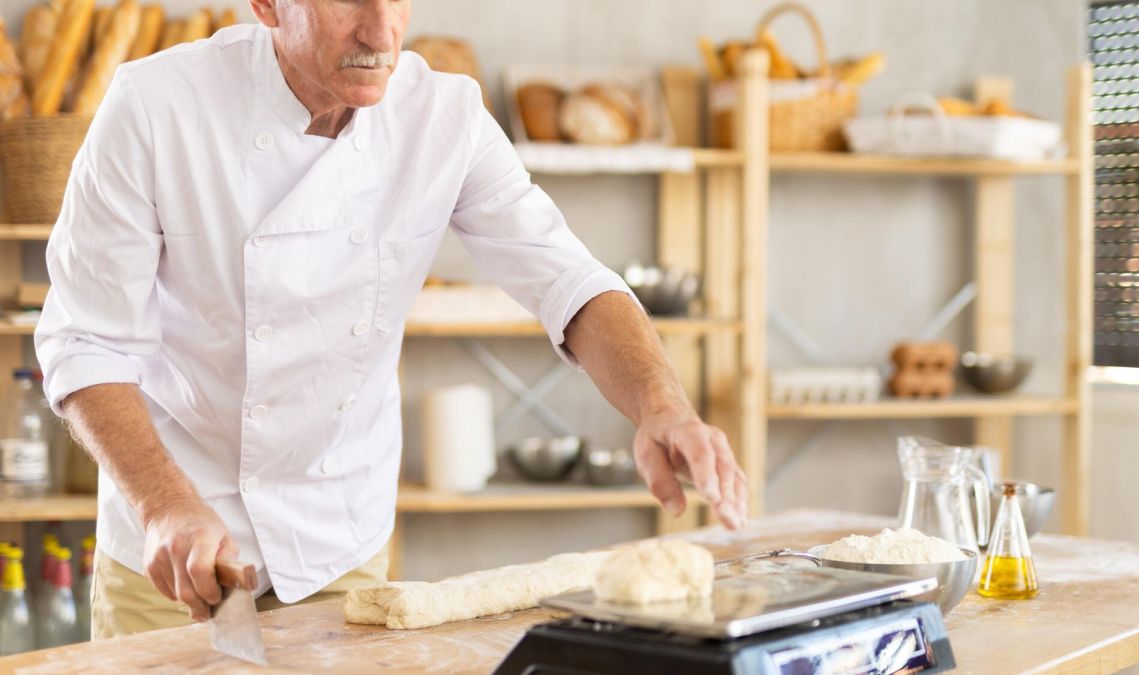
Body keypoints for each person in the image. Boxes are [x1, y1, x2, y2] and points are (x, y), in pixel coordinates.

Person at [34, 0, 748, 638]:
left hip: (339, 539)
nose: (381, 31)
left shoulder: (447, 118)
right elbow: (86, 339)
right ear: (266, 5)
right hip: (178, 547)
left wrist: (663, 403)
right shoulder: (156, 106)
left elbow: (570, 279)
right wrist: (163, 504)